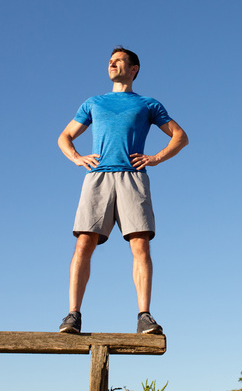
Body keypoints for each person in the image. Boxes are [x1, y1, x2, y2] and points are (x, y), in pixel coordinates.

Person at [57, 46, 188, 335]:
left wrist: (155, 157)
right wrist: (77, 157)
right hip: (98, 178)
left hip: (133, 177)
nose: (112, 65)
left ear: (134, 69)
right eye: (110, 61)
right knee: (83, 244)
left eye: (118, 61)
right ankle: (72, 316)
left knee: (140, 245)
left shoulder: (147, 104)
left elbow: (180, 137)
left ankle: (144, 316)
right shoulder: (94, 102)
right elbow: (64, 136)